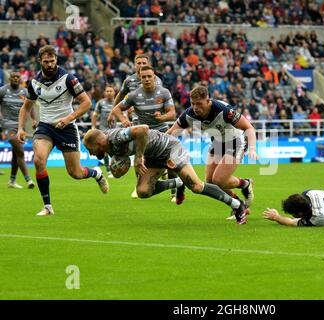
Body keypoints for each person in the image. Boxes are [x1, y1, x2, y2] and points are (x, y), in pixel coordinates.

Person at [83, 125, 249, 224]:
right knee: (143, 192)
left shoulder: (115, 138)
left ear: (98, 143)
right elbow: (122, 164)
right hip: (153, 157)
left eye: (90, 150)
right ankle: (177, 183)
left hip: (170, 149)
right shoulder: (107, 148)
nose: (91, 154)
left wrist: (139, 157)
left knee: (197, 186)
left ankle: (237, 205)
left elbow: (143, 129)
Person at [17, 45, 109, 216]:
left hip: (67, 128)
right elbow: (25, 108)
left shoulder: (68, 78)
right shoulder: (34, 83)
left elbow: (86, 103)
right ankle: (47, 207)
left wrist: (68, 118)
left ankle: (96, 174)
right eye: (46, 62)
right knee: (38, 161)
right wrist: (21, 128)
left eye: (52, 61)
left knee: (76, 173)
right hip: (45, 127)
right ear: (40, 62)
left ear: (56, 60)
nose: (50, 64)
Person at [166, 85, 258, 220]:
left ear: (208, 101)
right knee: (209, 182)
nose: (195, 107)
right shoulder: (189, 114)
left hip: (236, 140)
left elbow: (249, 127)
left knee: (219, 180)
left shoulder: (224, 111)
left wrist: (252, 148)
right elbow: (170, 134)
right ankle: (239, 204)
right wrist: (155, 144)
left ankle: (245, 184)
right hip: (217, 141)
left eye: (199, 104)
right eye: (193, 104)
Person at [110, 65, 178, 201]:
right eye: (143, 77)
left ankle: (175, 193)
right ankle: (138, 186)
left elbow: (172, 113)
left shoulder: (164, 92)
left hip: (161, 132)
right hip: (143, 135)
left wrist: (162, 117)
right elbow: (117, 109)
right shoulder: (134, 95)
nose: (146, 79)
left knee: (171, 162)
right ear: (140, 79)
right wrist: (124, 120)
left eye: (149, 76)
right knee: (139, 159)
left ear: (154, 77)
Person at [0, 70, 36, 189]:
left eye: (17, 77)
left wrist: (34, 119)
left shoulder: (24, 91)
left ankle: (12, 180)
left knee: (16, 154)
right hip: (7, 126)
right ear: (10, 79)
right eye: (13, 77)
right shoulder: (3, 90)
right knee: (20, 151)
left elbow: (30, 106)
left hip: (21, 127)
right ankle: (29, 180)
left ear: (20, 79)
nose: (15, 78)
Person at [92, 85, 116, 178]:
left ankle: (114, 168)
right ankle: (108, 170)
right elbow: (95, 115)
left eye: (111, 91)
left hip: (115, 131)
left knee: (115, 150)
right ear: (104, 93)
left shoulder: (117, 103)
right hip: (103, 131)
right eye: (107, 91)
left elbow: (123, 114)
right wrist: (93, 127)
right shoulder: (101, 103)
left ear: (114, 92)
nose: (109, 93)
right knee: (105, 150)